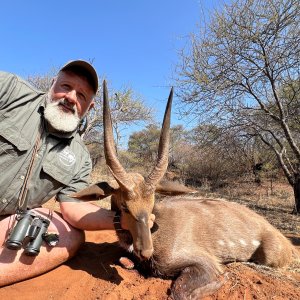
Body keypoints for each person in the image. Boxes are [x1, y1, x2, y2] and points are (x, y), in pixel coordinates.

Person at [0, 60, 153, 287]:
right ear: (52, 84)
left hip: (7, 221)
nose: (71, 97)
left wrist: (126, 221)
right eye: (65, 86)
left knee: (71, 236)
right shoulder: (10, 90)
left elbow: (73, 207)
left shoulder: (80, 157)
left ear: (89, 108)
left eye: (81, 95)